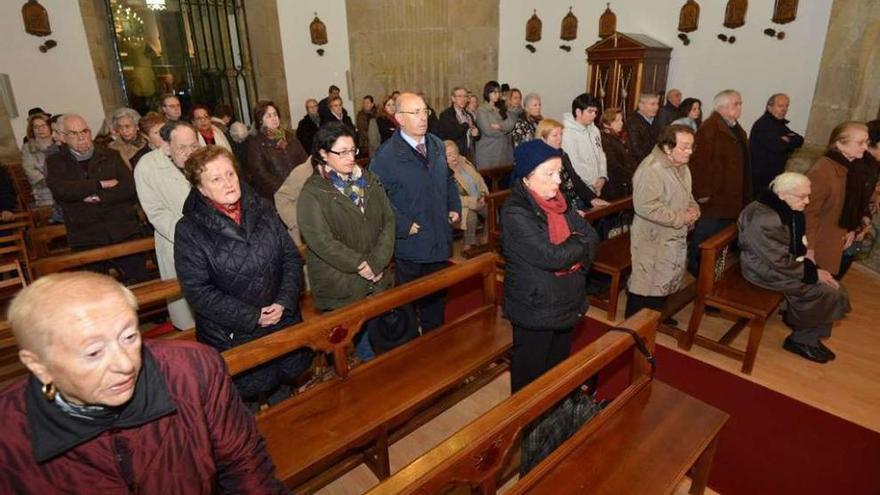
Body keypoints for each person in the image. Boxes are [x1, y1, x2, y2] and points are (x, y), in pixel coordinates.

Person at [0, 272, 289, 493]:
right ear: (39, 366)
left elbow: (245, 464)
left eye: (129, 337)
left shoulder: (192, 370)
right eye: (93, 353)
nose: (126, 364)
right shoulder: (9, 435)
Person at [175, 146, 312, 407]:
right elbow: (198, 291)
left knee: (285, 400)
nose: (228, 183)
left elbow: (290, 258)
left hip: (282, 320)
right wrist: (253, 316)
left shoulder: (262, 207)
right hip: (234, 335)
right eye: (216, 179)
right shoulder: (189, 229)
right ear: (200, 189)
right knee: (244, 409)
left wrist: (284, 301)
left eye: (230, 174)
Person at [501, 139, 599, 392]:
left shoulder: (559, 202)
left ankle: (551, 421)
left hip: (567, 299)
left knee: (556, 370)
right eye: (550, 174)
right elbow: (552, 256)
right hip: (536, 306)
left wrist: (577, 258)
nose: (558, 180)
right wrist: (577, 245)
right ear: (526, 178)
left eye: (559, 172)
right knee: (530, 377)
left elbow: (592, 236)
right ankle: (525, 428)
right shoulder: (515, 212)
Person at [297, 123, 396, 358]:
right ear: (322, 154)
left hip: (376, 274)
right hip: (342, 281)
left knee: (382, 335)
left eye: (353, 150)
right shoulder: (313, 193)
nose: (350, 157)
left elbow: (388, 221)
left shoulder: (369, 179)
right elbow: (321, 241)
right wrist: (362, 265)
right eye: (342, 152)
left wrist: (378, 261)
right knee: (359, 341)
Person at [370, 92, 462, 332]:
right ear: (399, 118)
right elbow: (377, 200)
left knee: (436, 299)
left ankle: (435, 341)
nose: (423, 118)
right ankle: (410, 346)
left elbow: (448, 179)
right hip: (411, 241)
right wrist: (403, 225)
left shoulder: (436, 143)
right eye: (415, 113)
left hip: (439, 235)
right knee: (408, 304)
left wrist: (454, 205)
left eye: (425, 111)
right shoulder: (386, 156)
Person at [738, 172, 850, 363]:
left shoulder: (781, 208)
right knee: (826, 291)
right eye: (802, 197)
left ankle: (810, 338)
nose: (807, 201)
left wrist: (812, 267)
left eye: (808, 195)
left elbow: (786, 252)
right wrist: (812, 273)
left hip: (777, 264)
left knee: (832, 286)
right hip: (761, 271)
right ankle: (800, 341)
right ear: (782, 195)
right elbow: (777, 261)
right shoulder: (765, 219)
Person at [46, 114, 147, 283]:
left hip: (123, 230)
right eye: (74, 133)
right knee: (95, 290)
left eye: (84, 131)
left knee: (141, 283)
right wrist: (99, 184)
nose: (81, 137)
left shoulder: (111, 155)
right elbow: (62, 191)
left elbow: (128, 188)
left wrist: (97, 197)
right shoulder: (55, 162)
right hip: (86, 236)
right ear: (63, 137)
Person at [626, 125, 700, 318]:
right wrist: (680, 217)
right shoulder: (651, 169)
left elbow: (687, 194)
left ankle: (653, 320)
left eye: (691, 147)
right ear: (667, 148)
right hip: (652, 238)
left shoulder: (681, 166)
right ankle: (631, 333)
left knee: (662, 284)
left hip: (672, 238)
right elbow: (645, 205)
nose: (689, 152)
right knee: (646, 287)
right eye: (684, 147)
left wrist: (694, 208)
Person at [134, 120, 199, 331]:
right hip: (176, 241)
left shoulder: (204, 159)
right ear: (166, 144)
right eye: (182, 147)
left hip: (213, 240)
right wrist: (188, 233)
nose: (189, 152)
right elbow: (155, 212)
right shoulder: (148, 166)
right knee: (187, 313)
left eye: (194, 146)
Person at [688, 89, 750, 276]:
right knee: (705, 239)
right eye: (735, 103)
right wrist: (703, 193)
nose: (740, 107)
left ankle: (711, 275)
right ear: (722, 107)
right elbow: (699, 163)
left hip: (729, 196)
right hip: (714, 198)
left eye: (740, 103)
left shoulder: (734, 127)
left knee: (720, 239)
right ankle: (697, 271)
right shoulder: (710, 129)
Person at [805, 121, 869, 278]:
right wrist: (809, 251)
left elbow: (851, 204)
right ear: (840, 144)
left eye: (866, 142)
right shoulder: (823, 170)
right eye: (860, 142)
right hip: (820, 245)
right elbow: (808, 214)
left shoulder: (852, 167)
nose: (865, 147)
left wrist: (852, 228)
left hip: (837, 240)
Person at [536, 119, 608, 214]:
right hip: (560, 207)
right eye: (555, 135)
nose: (559, 138)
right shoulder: (540, 161)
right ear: (542, 138)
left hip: (575, 201)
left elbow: (575, 179)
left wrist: (591, 198)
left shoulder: (562, 153)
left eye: (561, 134)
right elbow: (551, 194)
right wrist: (570, 212)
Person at [245, 100, 308, 201]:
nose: (274, 118)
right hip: (276, 196)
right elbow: (260, 173)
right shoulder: (255, 143)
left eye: (275, 114)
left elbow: (304, 161)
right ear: (261, 120)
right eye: (269, 116)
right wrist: (285, 189)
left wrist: (303, 182)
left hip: (300, 190)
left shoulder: (289, 136)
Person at [750, 93, 805, 196]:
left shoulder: (779, 124)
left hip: (772, 175)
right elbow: (778, 146)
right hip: (761, 178)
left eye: (786, 106)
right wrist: (787, 140)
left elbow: (799, 140)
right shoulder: (764, 125)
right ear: (769, 107)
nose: (784, 109)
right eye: (780, 106)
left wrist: (786, 139)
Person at [562, 93, 607, 201]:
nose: (594, 115)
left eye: (595, 112)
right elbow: (574, 164)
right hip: (581, 190)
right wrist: (592, 183)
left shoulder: (594, 130)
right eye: (590, 111)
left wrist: (602, 177)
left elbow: (601, 155)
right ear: (578, 112)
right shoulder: (568, 134)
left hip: (598, 185)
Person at [445, 140, 489, 250]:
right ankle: (469, 245)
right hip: (460, 206)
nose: (453, 157)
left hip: (479, 200)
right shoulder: (444, 172)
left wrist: (483, 194)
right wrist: (472, 202)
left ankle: (486, 236)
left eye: (455, 153)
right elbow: (450, 198)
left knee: (492, 210)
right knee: (471, 217)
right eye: (449, 155)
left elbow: (479, 179)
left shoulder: (465, 163)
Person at [20, 113, 60, 216]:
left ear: (50, 126)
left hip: (66, 187)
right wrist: (53, 182)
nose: (40, 129)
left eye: (43, 126)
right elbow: (30, 171)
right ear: (32, 129)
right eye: (36, 127)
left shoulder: (60, 143)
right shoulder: (27, 147)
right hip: (44, 191)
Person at [475, 80, 516, 169]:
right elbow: (489, 131)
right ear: (487, 93)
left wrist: (500, 126)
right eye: (494, 92)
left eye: (498, 92)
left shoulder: (501, 108)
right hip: (489, 152)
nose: (497, 95)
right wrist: (505, 128)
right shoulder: (482, 110)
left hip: (502, 152)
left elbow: (511, 123)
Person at [599, 108, 638, 200]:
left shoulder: (618, 137)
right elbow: (613, 164)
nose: (621, 123)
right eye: (617, 121)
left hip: (623, 183)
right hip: (613, 186)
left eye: (621, 120)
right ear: (606, 124)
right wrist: (630, 176)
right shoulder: (605, 140)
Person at [437, 86, 479, 158]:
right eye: (459, 96)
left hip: (469, 152)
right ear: (453, 98)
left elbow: (476, 133)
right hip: (454, 154)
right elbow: (452, 133)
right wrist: (466, 125)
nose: (463, 99)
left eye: (465, 96)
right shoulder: (446, 115)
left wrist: (477, 133)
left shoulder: (468, 115)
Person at [624, 93, 662, 163]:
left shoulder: (656, 121)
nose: (656, 107)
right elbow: (635, 149)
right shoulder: (632, 122)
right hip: (640, 164)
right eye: (652, 104)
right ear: (641, 106)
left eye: (657, 104)